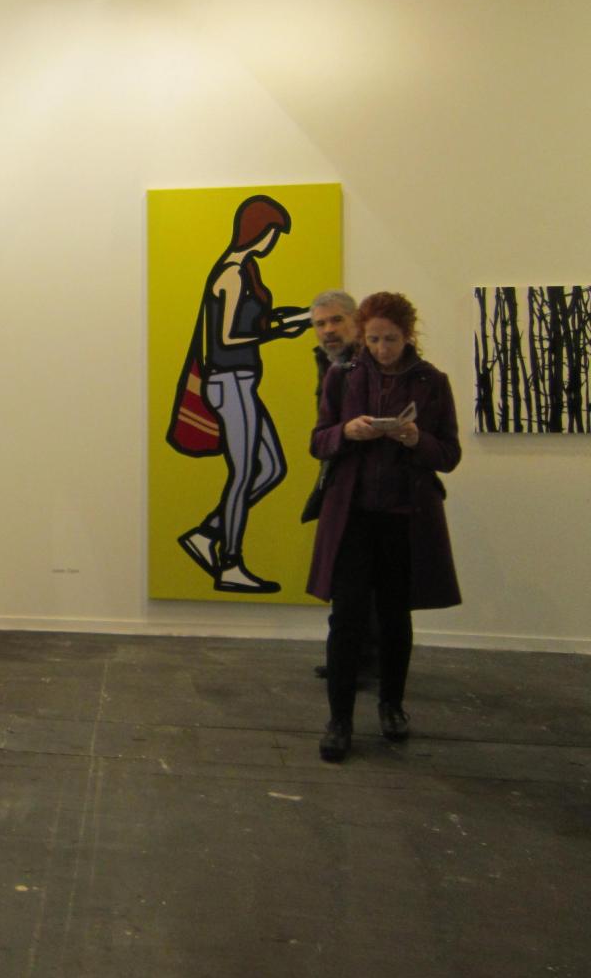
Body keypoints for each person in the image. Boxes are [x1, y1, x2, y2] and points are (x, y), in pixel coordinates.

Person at [308, 292, 461, 762]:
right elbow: (318, 441)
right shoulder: (343, 375)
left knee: (396, 617)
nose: (381, 348)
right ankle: (339, 720)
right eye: (372, 339)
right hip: (352, 517)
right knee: (346, 618)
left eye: (390, 339)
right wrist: (346, 432)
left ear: (408, 335)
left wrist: (416, 439)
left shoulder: (432, 381)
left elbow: (449, 454)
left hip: (405, 517)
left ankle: (391, 706)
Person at [176, 195, 312, 593]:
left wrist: (295, 318)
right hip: (229, 382)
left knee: (271, 469)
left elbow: (253, 323)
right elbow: (227, 338)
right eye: (273, 233)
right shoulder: (231, 274)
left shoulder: (247, 271)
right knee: (244, 473)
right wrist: (278, 331)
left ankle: (206, 534)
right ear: (258, 230)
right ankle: (230, 564)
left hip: (241, 383)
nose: (273, 242)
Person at [302, 291, 374, 680]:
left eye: (336, 320)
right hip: (340, 482)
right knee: (348, 582)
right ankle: (350, 660)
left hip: (366, 489)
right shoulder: (330, 364)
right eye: (320, 324)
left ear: (356, 320)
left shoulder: (369, 364)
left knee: (363, 583)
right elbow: (324, 431)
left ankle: (360, 662)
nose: (328, 330)